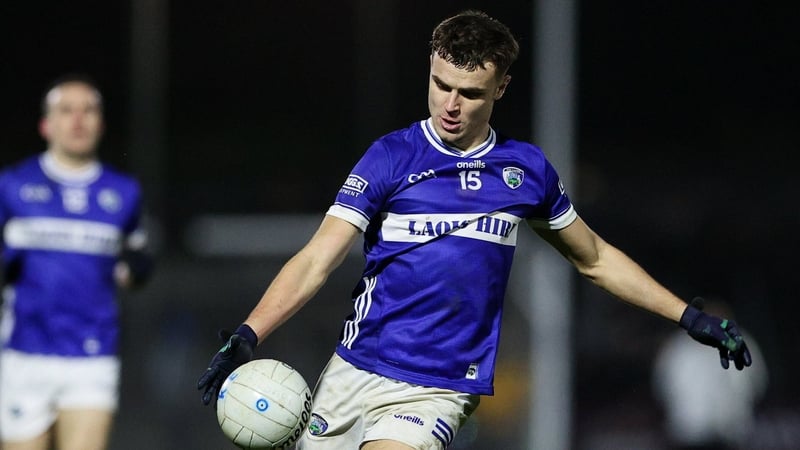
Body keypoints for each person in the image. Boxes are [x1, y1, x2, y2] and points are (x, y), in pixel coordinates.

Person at [197, 10, 752, 450]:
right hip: (354, 368)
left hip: (440, 386)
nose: (451, 105)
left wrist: (690, 316)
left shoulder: (525, 172)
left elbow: (596, 259)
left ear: (502, 87)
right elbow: (318, 258)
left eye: (470, 93)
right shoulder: (390, 157)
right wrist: (248, 334)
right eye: (441, 85)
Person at [0, 74, 153, 450]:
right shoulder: (12, 186)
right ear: (46, 124)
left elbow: (138, 257)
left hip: (91, 354)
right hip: (24, 353)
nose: (78, 120)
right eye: (67, 111)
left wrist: (135, 271)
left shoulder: (123, 192)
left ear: (100, 123)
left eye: (89, 110)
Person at [653, 298, 768, 450]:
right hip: (689, 435)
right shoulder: (677, 348)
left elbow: (757, 384)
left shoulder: (742, 343)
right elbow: (662, 386)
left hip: (732, 435)